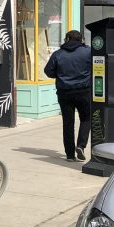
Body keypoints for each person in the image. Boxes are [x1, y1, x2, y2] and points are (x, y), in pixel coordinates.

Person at [44, 29, 92, 161]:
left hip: (64, 93)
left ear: (67, 39)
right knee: (86, 118)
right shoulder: (88, 52)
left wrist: (60, 74)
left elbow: (48, 71)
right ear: (81, 40)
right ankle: (81, 145)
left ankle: (70, 155)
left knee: (68, 123)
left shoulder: (58, 54)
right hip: (84, 91)